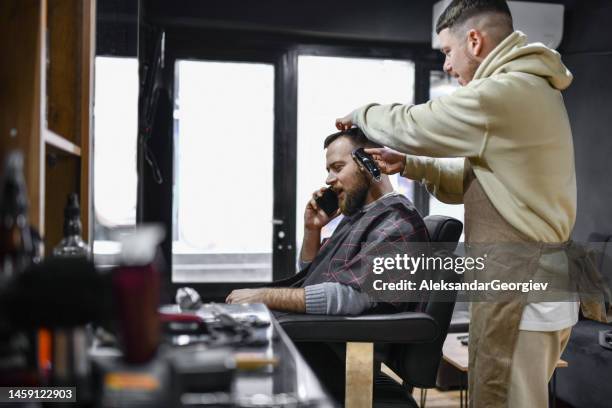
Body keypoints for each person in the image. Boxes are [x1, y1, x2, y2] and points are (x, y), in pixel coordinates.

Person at [334, 0, 593, 406]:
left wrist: (363, 114)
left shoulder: (508, 90)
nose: (447, 66)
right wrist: (411, 165)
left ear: (474, 40)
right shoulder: (523, 89)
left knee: (502, 400)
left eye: (447, 52)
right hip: (529, 282)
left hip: (521, 285)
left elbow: (419, 123)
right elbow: (472, 183)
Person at [226, 127, 429, 315]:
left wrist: (263, 297)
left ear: (370, 163)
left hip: (347, 349)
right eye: (328, 170)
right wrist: (312, 230)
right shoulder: (359, 216)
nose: (329, 179)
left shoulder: (398, 221)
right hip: (314, 332)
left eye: (338, 167)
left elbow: (354, 297)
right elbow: (313, 276)